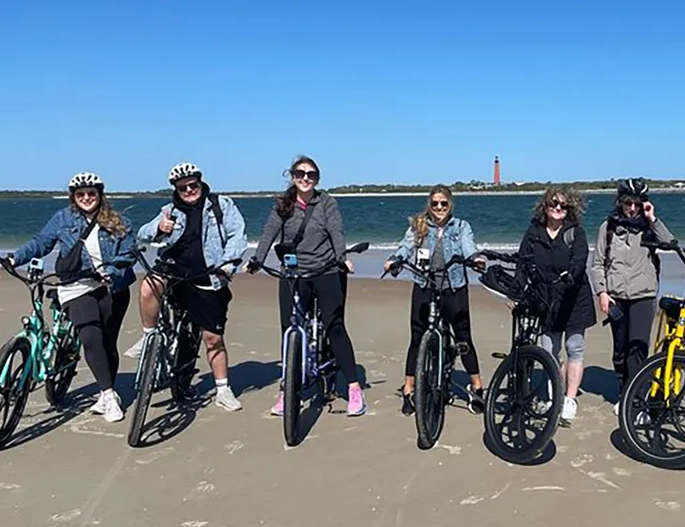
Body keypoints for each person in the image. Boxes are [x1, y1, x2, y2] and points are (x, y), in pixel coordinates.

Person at [246, 155, 367, 417]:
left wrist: (342, 259)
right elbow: (268, 233)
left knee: (334, 327)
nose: (305, 178)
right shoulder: (283, 204)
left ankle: (354, 389)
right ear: (292, 176)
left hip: (325, 270)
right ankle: (286, 389)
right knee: (289, 329)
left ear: (317, 178)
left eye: (311, 174)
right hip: (293, 274)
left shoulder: (327, 203)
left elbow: (337, 232)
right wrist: (257, 259)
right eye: (300, 173)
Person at [11, 173, 136, 422]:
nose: (86, 198)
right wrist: (15, 257)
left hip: (112, 287)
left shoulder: (118, 221)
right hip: (76, 286)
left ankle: (105, 391)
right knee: (90, 335)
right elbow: (41, 242)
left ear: (100, 195)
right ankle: (109, 395)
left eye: (91, 193)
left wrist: (111, 271)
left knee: (107, 342)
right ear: (73, 197)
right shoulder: (63, 219)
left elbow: (129, 251)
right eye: (81, 194)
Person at [131, 162, 249, 412]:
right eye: (182, 188)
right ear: (176, 189)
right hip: (174, 269)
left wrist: (228, 265)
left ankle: (222, 389)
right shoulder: (169, 210)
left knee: (212, 338)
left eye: (192, 185)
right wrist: (158, 228)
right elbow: (141, 235)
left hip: (209, 276)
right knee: (149, 285)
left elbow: (237, 236)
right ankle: (148, 336)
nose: (188, 190)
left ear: (200, 183)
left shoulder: (220, 205)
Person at [384, 185, 486, 416]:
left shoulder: (461, 227)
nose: (439, 208)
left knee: (463, 337)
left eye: (443, 203)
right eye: (435, 203)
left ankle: (477, 387)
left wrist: (475, 259)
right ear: (429, 205)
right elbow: (406, 246)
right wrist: (395, 260)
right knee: (417, 338)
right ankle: (409, 389)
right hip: (424, 285)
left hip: (454, 287)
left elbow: (469, 248)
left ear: (450, 205)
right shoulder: (419, 225)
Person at [589, 178, 675, 415]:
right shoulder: (607, 227)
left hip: (643, 294)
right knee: (620, 351)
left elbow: (670, 243)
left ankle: (634, 397)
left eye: (638, 203)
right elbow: (597, 264)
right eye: (628, 203)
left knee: (638, 347)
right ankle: (623, 388)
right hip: (616, 296)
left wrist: (653, 219)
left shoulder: (650, 226)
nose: (632, 208)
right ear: (620, 202)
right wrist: (602, 292)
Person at [516, 185, 596, 425]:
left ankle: (570, 398)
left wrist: (571, 275)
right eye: (554, 204)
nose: (558, 209)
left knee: (574, 347)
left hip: (573, 299)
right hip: (546, 300)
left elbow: (580, 261)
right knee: (549, 350)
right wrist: (516, 293)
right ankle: (555, 392)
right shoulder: (534, 232)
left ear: (570, 209)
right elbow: (522, 263)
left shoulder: (575, 233)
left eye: (564, 205)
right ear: (545, 206)